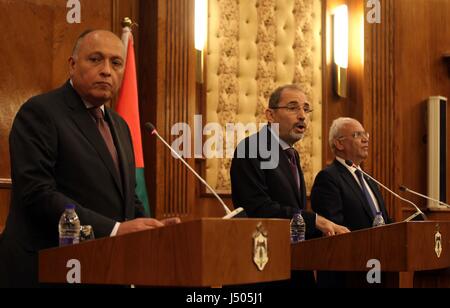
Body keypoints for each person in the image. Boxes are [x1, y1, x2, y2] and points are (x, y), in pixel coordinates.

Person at [0, 30, 179, 287]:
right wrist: (114, 230)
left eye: (116, 63)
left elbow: (127, 197)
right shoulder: (41, 112)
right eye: (95, 59)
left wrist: (151, 227)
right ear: (72, 65)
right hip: (46, 268)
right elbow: (37, 194)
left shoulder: (119, 125)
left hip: (102, 267)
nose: (106, 70)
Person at [230, 84, 350, 287]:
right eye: (293, 108)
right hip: (263, 269)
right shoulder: (251, 148)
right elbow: (257, 209)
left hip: (292, 265)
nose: (302, 115)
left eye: (305, 108)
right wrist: (315, 221)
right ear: (271, 115)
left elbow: (289, 207)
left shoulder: (291, 153)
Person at [310, 117, 392, 287]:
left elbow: (384, 221)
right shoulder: (329, 178)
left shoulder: (369, 179)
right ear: (339, 144)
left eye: (365, 134)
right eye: (357, 135)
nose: (365, 139)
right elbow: (334, 229)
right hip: (346, 275)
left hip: (376, 268)